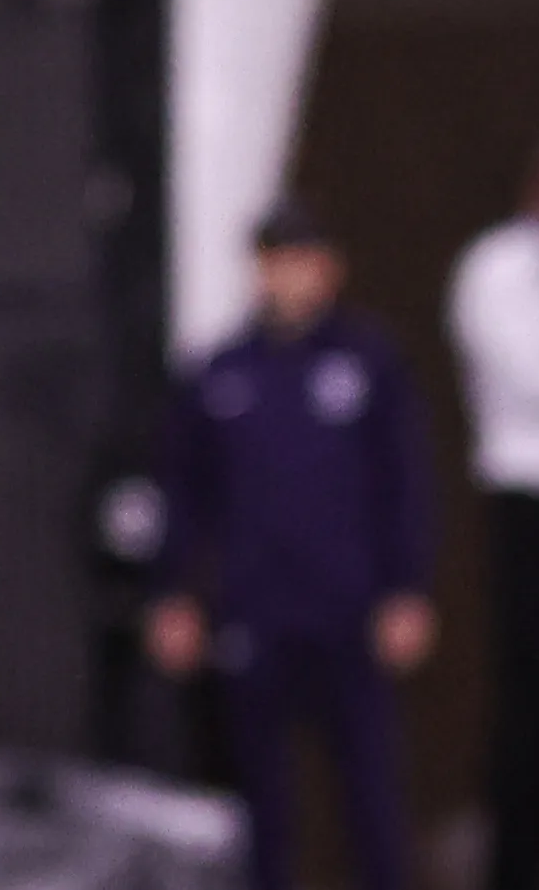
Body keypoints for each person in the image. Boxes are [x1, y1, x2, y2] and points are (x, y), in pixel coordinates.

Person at [147, 205, 437, 890]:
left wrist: (407, 587)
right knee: (260, 803)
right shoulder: (220, 371)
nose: (289, 275)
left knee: (369, 791)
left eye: (303, 258)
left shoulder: (370, 363)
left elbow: (405, 482)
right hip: (254, 609)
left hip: (346, 609)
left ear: (330, 267)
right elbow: (183, 493)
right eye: (275, 260)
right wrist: (174, 592)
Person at [449, 129, 539, 890]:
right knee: (534, 685)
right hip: (531, 494)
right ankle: (521, 860)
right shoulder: (497, 267)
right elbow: (536, 377)